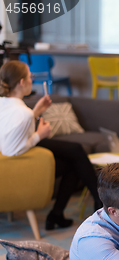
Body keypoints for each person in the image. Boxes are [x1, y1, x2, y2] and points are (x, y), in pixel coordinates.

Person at [0, 60, 102, 230]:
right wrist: (39, 134)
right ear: (21, 82)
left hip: (19, 157)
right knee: (76, 155)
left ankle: (58, 213)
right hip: (20, 164)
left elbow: (13, 132)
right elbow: (11, 148)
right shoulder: (22, 112)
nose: (32, 80)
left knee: (75, 155)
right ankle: (97, 202)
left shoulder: (5, 103)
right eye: (30, 77)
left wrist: (35, 113)